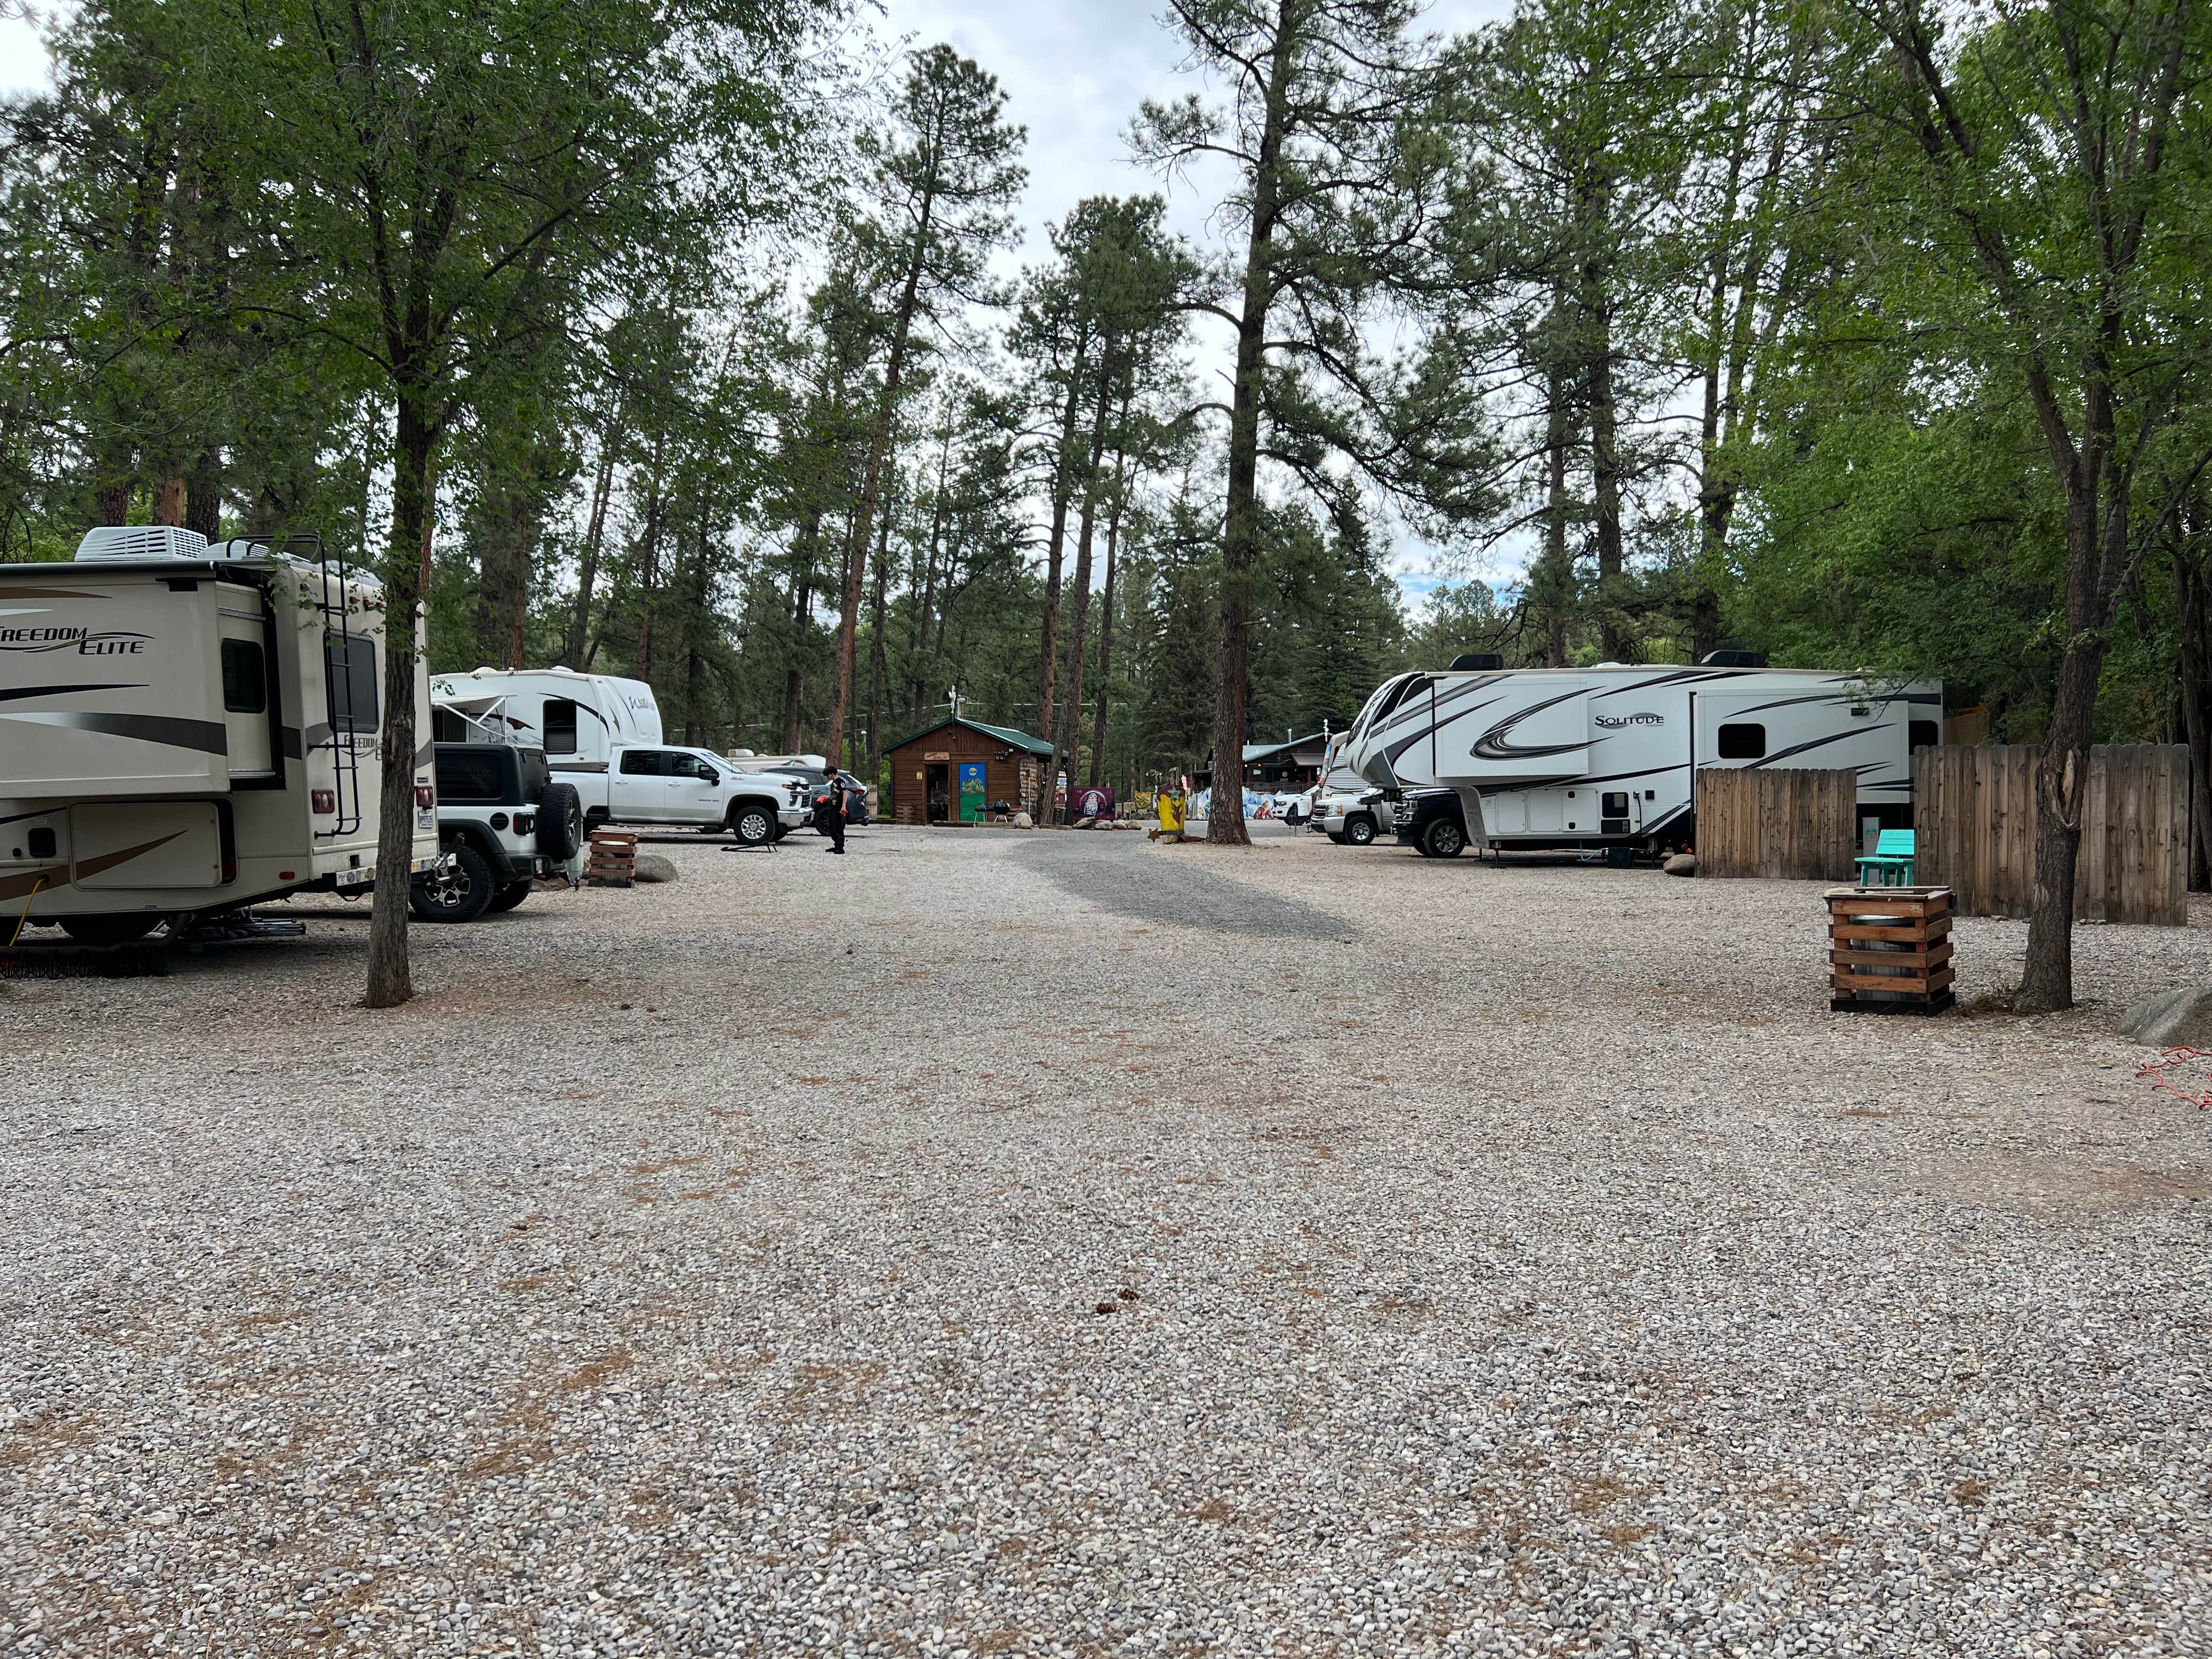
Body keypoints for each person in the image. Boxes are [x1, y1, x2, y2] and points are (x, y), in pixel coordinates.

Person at [813, 783, 846, 854]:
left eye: (828, 776)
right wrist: (827, 798)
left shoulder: (840, 782)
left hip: (838, 808)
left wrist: (844, 806)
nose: (828, 778)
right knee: (832, 828)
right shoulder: (833, 784)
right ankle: (836, 846)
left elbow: (845, 794)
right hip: (832, 808)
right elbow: (835, 795)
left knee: (838, 828)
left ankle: (840, 848)